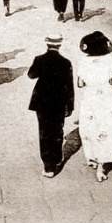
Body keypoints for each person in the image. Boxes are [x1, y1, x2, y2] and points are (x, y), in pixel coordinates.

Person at [77, 31, 112, 182]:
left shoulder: (84, 61)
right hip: (106, 96)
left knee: (90, 126)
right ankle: (102, 164)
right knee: (106, 127)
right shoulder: (109, 60)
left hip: (90, 96)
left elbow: (80, 83)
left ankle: (92, 157)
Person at [27, 33, 75, 178]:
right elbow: (69, 85)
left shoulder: (39, 59)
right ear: (60, 44)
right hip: (59, 102)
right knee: (57, 131)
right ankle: (56, 160)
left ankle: (47, 165)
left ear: (46, 43)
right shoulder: (66, 62)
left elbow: (31, 75)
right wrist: (70, 105)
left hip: (42, 101)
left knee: (44, 131)